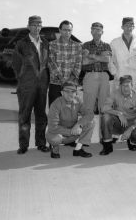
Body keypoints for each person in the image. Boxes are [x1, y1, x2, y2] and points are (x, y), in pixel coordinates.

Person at [12, 15, 50, 154]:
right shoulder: (22, 43)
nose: (37, 27)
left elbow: (47, 64)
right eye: (34, 25)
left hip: (42, 86)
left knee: (41, 115)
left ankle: (41, 143)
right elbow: (16, 64)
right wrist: (23, 78)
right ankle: (23, 145)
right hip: (26, 86)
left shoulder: (45, 43)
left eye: (39, 25)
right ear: (28, 26)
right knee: (24, 115)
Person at [99, 75, 136, 155]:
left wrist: (130, 129)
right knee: (105, 117)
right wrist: (118, 113)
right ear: (120, 86)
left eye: (127, 85)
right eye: (123, 86)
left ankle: (132, 142)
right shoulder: (114, 93)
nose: (125, 88)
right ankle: (107, 145)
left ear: (132, 86)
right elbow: (103, 108)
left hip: (132, 123)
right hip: (119, 122)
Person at [46, 82, 94, 158]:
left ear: (76, 93)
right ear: (62, 93)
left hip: (73, 131)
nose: (70, 94)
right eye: (67, 91)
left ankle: (78, 149)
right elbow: (53, 127)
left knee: (90, 123)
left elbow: (89, 114)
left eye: (73, 91)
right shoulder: (55, 104)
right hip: (59, 133)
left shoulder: (78, 101)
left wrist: (79, 125)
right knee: (55, 139)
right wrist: (71, 132)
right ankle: (55, 148)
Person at [48, 20, 82, 106]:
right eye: (65, 30)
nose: (67, 32)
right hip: (56, 83)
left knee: (70, 110)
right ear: (60, 30)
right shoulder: (52, 45)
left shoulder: (77, 46)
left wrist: (70, 80)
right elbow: (51, 63)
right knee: (54, 107)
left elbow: (78, 64)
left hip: (71, 84)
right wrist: (61, 79)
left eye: (69, 30)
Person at [81, 22, 112, 118]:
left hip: (104, 76)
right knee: (88, 105)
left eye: (99, 29)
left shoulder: (107, 45)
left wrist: (91, 55)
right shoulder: (85, 45)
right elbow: (84, 62)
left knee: (104, 106)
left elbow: (107, 59)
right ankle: (87, 131)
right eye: (94, 29)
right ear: (91, 31)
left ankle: (103, 132)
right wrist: (100, 56)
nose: (96, 31)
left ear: (102, 32)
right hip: (90, 75)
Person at [109, 17, 136, 94]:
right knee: (119, 102)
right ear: (122, 27)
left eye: (131, 25)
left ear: (133, 27)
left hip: (134, 77)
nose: (129, 28)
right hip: (120, 76)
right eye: (126, 25)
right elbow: (110, 60)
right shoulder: (114, 42)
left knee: (134, 102)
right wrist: (115, 73)